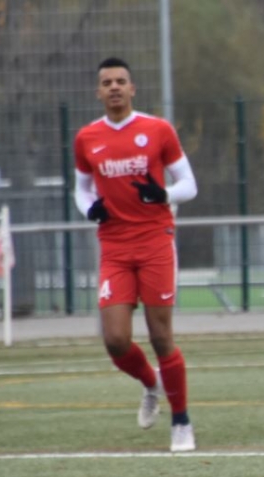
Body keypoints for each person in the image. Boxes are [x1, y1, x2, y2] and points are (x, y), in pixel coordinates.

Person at [73, 57, 198, 452]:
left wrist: (163, 194)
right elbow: (81, 189)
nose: (114, 87)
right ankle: (151, 383)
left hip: (155, 240)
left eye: (120, 81)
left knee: (161, 336)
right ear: (98, 91)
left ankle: (181, 422)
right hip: (114, 246)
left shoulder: (157, 130)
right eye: (107, 82)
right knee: (115, 339)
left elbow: (189, 184)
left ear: (132, 88)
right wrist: (89, 209)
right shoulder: (87, 138)